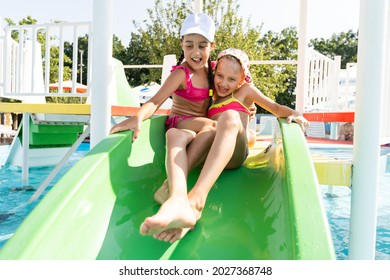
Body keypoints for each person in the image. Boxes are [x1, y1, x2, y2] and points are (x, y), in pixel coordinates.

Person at [144, 48, 310, 243]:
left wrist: (296, 113)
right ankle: (171, 192)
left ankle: (196, 201)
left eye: (231, 79)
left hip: (236, 154)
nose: (224, 83)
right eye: (220, 76)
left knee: (229, 116)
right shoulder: (211, 98)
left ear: (241, 80)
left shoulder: (245, 91)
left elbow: (275, 108)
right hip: (215, 155)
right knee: (206, 130)